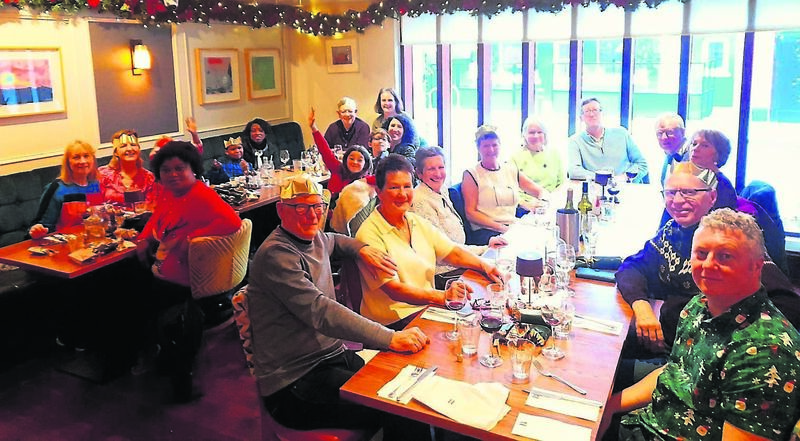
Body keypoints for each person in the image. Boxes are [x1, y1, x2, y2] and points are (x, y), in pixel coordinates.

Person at [246, 173, 431, 439]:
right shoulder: (277, 255)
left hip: (330, 359)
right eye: (301, 207)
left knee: (407, 385)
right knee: (401, 405)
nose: (312, 216)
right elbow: (322, 312)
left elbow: (334, 240)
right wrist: (390, 337)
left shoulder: (314, 237)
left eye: (317, 207)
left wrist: (361, 248)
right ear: (280, 210)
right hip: (295, 381)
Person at [605, 208, 800, 441]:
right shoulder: (699, 305)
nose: (708, 265)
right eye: (701, 253)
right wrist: (609, 406)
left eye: (725, 256)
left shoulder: (765, 352)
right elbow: (673, 375)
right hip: (648, 423)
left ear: (756, 266)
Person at [615, 163, 799, 387]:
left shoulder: (729, 240)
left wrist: (722, 343)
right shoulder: (673, 231)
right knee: (602, 346)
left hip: (697, 364)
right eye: (671, 193)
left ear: (712, 197)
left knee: (607, 374)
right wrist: (642, 306)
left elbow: (789, 307)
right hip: (669, 342)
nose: (678, 200)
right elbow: (632, 267)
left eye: (689, 192)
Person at [136, 141, 241, 402]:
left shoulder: (201, 194)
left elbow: (232, 221)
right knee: (128, 291)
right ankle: (161, 357)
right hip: (163, 268)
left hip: (185, 276)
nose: (172, 174)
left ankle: (177, 371)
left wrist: (191, 238)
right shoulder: (168, 193)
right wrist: (143, 238)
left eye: (179, 168)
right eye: (166, 170)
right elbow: (157, 217)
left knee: (139, 300)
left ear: (192, 169)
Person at [356, 154, 502, 329]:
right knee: (466, 334)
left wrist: (485, 266)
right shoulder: (369, 233)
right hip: (394, 322)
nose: (402, 194)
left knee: (481, 319)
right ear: (379, 192)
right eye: (394, 187)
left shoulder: (414, 221)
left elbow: (452, 252)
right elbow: (394, 289)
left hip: (426, 308)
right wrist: (442, 296)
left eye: (407, 186)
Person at [411, 146, 507, 283]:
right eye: (431, 169)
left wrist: (487, 246)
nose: (438, 174)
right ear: (419, 174)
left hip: (460, 259)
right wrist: (483, 249)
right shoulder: (420, 201)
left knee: (504, 263)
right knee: (498, 278)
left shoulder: (441, 190)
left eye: (441, 167)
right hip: (444, 271)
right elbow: (444, 250)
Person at [462, 125, 547, 245]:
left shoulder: (510, 169)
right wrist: (501, 228)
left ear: (500, 145)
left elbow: (538, 191)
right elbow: (471, 213)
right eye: (486, 146)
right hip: (486, 231)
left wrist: (541, 204)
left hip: (512, 226)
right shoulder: (471, 174)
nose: (491, 150)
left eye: (494, 145)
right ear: (478, 148)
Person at [29, 140, 104, 239]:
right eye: (76, 157)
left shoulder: (97, 184)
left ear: (93, 160)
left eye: (86, 156)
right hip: (67, 244)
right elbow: (44, 225)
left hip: (96, 241)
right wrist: (37, 230)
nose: (83, 161)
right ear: (68, 162)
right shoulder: (56, 188)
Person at [567, 97, 648, 182]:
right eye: (587, 111)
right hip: (594, 189)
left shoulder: (621, 133)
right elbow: (574, 171)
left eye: (595, 110)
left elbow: (642, 164)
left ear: (602, 113)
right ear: (581, 117)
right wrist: (604, 178)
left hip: (624, 187)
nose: (592, 114)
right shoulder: (575, 141)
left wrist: (625, 177)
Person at [309, 107, 373, 194]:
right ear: (345, 159)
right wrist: (313, 128)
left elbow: (384, 179)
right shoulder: (337, 169)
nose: (355, 162)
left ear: (365, 164)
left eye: (360, 160)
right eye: (351, 158)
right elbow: (325, 150)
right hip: (330, 206)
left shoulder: (366, 180)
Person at [98, 130, 157, 206]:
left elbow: (152, 207)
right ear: (116, 152)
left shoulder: (149, 178)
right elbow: (93, 205)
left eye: (133, 145)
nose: (129, 149)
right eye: (123, 146)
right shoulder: (102, 174)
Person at [511, 116, 565, 194]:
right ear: (524, 135)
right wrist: (528, 203)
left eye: (539, 132)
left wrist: (552, 199)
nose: (536, 136)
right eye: (531, 133)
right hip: (526, 203)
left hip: (552, 200)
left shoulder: (554, 154)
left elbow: (561, 183)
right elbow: (512, 187)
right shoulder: (515, 157)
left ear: (545, 135)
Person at [653, 112, 688, 186]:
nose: (664, 137)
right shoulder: (667, 154)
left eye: (669, 132)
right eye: (660, 133)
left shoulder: (693, 155)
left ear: (683, 132)